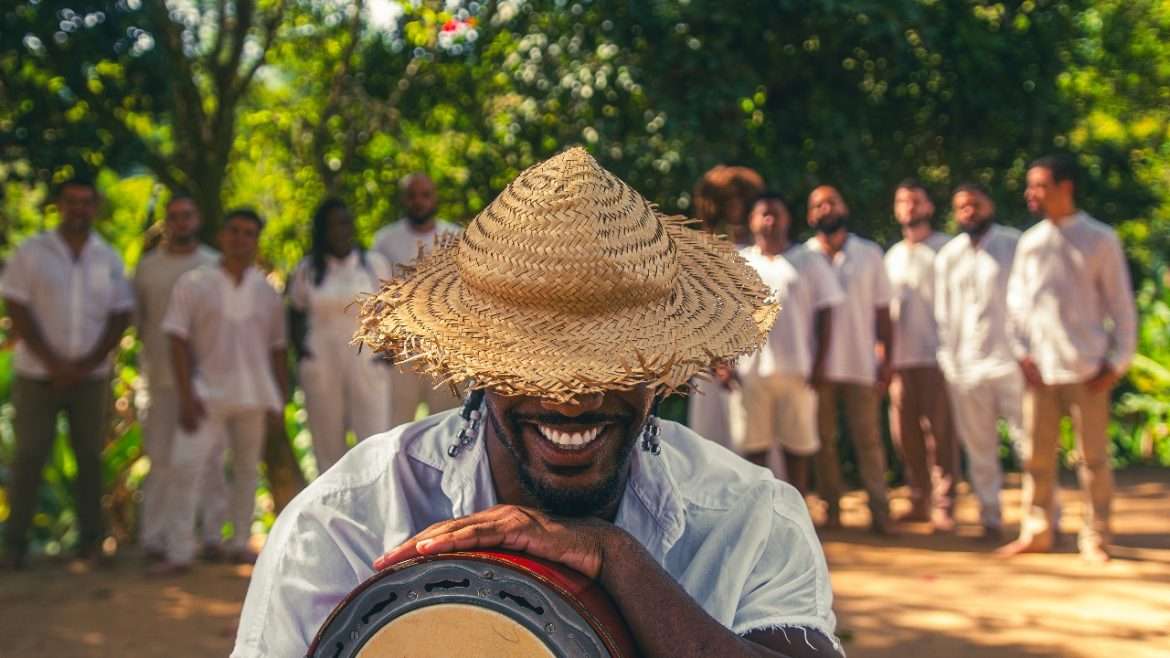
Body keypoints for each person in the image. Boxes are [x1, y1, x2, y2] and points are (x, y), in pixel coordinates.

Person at [233, 148, 842, 658]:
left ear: (661, 366)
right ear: (480, 365)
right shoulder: (348, 522)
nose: (573, 403)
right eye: (534, 367)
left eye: (614, 361)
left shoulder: (750, 517)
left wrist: (618, 560)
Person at [1001, 155, 1136, 563]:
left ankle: (1096, 536)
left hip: (1089, 369)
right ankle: (1037, 530)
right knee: (1036, 458)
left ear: (1065, 187)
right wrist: (1022, 354)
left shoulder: (1100, 238)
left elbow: (1122, 306)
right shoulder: (1031, 242)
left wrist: (1117, 364)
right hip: (1041, 370)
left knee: (1093, 460)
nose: (1031, 193)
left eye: (1039, 185)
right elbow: (1015, 306)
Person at [0, 178, 133, 569]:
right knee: (29, 456)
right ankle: (14, 546)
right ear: (59, 205)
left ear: (95, 208)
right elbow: (17, 307)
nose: (79, 208)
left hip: (90, 379)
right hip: (37, 375)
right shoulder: (32, 252)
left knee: (90, 458)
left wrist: (87, 364)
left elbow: (120, 314)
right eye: (72, 201)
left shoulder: (107, 257)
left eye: (86, 202)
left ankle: (92, 542)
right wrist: (54, 363)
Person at [153, 209, 289, 574]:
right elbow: (177, 339)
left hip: (254, 394)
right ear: (221, 235)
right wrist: (185, 394)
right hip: (204, 394)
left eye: (249, 233)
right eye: (234, 231)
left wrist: (280, 399)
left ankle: (238, 542)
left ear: (256, 241)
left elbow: (278, 348)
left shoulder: (266, 291)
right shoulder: (193, 283)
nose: (240, 239)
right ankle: (179, 550)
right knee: (186, 468)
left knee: (246, 470)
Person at [734, 193, 843, 494]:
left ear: (787, 220)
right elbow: (723, 316)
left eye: (775, 214)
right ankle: (759, 513)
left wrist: (822, 362)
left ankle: (798, 513)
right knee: (754, 448)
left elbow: (827, 311)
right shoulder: (740, 262)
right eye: (763, 214)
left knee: (799, 447)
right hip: (751, 372)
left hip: (798, 370)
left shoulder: (808, 261)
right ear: (752, 221)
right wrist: (722, 363)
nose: (769, 220)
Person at [132, 194, 223, 559]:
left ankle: (214, 537)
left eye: (187, 215)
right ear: (166, 222)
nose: (181, 222)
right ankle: (154, 540)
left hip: (211, 381)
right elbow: (140, 323)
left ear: (197, 219)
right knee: (160, 459)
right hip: (160, 379)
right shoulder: (147, 267)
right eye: (174, 217)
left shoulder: (214, 264)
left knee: (213, 460)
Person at [935, 183, 1024, 540]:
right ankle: (991, 517)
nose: (968, 212)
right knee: (979, 447)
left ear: (990, 205)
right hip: (966, 367)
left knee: (1028, 444)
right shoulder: (949, 256)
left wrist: (1026, 354)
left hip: (1010, 363)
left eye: (975, 204)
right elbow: (943, 317)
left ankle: (1043, 517)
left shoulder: (1014, 245)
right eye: (961, 207)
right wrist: (950, 364)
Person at [804, 185, 895, 533]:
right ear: (811, 216)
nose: (826, 208)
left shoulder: (870, 253)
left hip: (861, 363)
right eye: (818, 205)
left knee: (868, 440)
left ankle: (880, 512)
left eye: (832, 201)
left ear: (844, 207)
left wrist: (886, 357)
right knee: (823, 443)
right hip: (818, 368)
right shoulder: (805, 257)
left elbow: (883, 311)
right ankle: (833, 512)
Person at [289, 199, 392, 472]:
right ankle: (331, 511)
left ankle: (378, 511)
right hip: (322, 363)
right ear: (322, 230)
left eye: (344, 223)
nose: (339, 230)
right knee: (327, 445)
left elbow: (392, 310)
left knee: (374, 442)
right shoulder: (307, 270)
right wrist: (303, 354)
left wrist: (388, 351)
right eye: (332, 225)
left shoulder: (373, 265)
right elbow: (295, 314)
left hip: (366, 362)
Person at [883, 180, 960, 531]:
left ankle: (945, 504)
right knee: (904, 434)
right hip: (900, 360)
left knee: (940, 434)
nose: (909, 207)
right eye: (902, 201)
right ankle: (918, 498)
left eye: (916, 201)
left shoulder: (946, 249)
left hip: (936, 356)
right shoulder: (893, 255)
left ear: (929, 207)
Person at [371, 173, 461, 426]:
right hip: (401, 349)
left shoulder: (456, 237)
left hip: (445, 349)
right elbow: (376, 295)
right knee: (395, 427)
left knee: (447, 425)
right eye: (412, 196)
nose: (418, 202)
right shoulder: (384, 241)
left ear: (435, 198)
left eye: (425, 195)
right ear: (403, 199)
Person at [686, 166, 765, 453]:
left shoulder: (761, 249)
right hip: (709, 357)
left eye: (740, 199)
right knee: (711, 441)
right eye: (728, 200)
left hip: (752, 359)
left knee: (752, 439)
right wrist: (715, 359)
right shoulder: (704, 250)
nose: (735, 206)